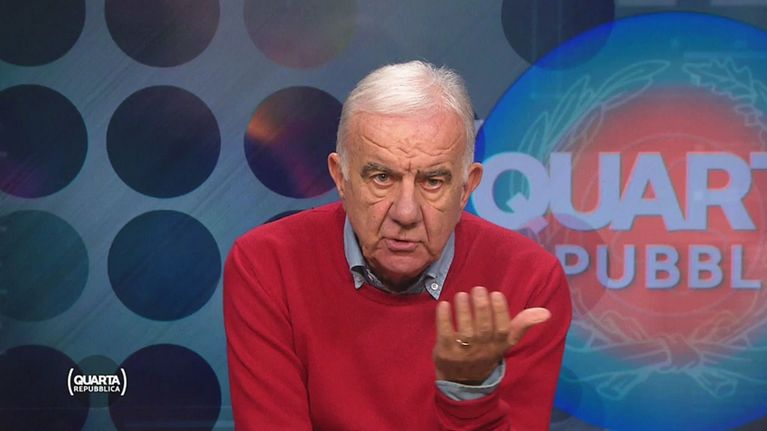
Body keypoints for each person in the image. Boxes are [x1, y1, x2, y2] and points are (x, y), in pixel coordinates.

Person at [224, 61, 572, 430]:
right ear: (340, 177)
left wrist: (469, 392)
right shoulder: (267, 265)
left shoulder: (529, 281)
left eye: (432, 181)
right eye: (382, 177)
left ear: (466, 188)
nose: (406, 213)